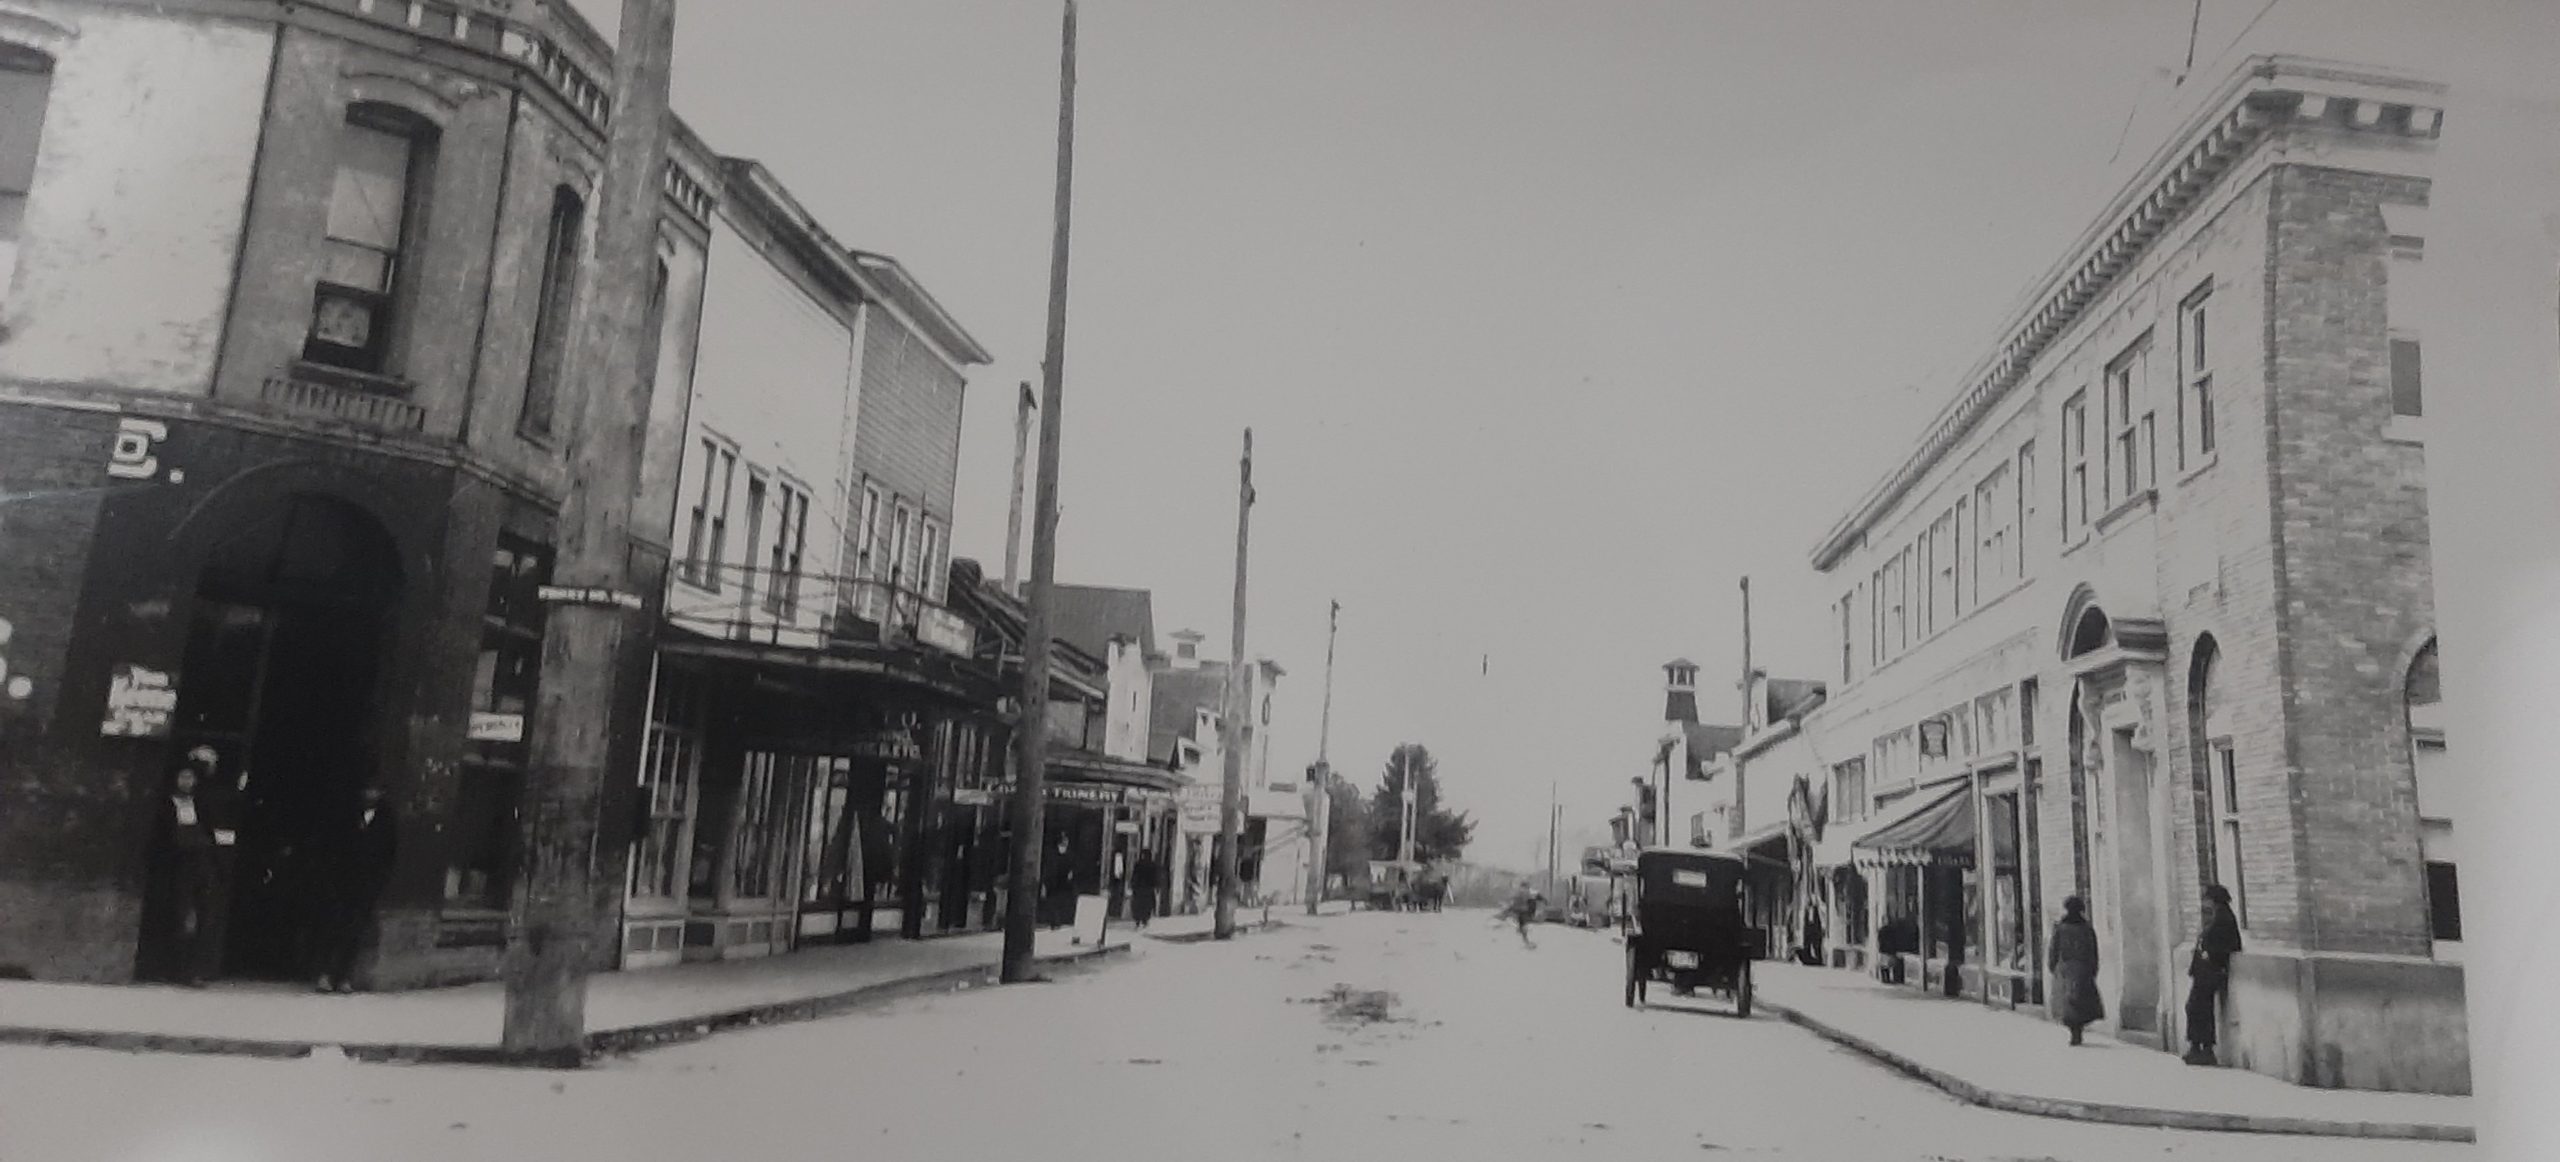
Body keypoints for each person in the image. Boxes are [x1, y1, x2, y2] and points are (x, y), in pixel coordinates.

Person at [141, 761, 236, 987]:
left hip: (198, 867)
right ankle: (167, 969)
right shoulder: (165, 805)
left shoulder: (201, 804)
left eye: (190, 777)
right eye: (182, 777)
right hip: (174, 868)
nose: (186, 782)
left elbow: (210, 831)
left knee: (199, 918)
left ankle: (192, 971)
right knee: (174, 917)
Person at [312, 785, 398, 994]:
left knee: (355, 932)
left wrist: (378, 882)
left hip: (366, 886)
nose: (370, 794)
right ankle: (325, 974)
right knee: (333, 927)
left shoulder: (386, 821)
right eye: (367, 790)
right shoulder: (347, 817)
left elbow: (389, 854)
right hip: (341, 883)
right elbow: (332, 847)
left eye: (374, 791)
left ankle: (344, 977)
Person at [2184, 884, 2244, 1065]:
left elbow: (2229, 945)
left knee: (2197, 1007)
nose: (2205, 901)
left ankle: (2203, 1048)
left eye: (2207, 898)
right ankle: (2198, 1047)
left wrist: (2208, 953)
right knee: (2197, 1007)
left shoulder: (2223, 918)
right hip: (2205, 971)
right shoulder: (2217, 916)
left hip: (2210, 972)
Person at [2048, 895, 2104, 1046]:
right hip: (2083, 968)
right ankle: (2078, 1029)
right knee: (2080, 1000)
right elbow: (2093, 950)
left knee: (2068, 1001)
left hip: (2066, 968)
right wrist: (2093, 968)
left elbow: (2054, 949)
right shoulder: (2086, 928)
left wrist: (2053, 966)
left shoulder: (2060, 927)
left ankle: (2074, 1031)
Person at [1506, 880, 1542, 948]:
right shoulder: (1523, 894)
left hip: (1521, 912)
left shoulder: (1521, 894)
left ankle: (1525, 940)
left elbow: (1515, 902)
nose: (1526, 889)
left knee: (1523, 926)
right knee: (1523, 926)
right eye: (1526, 887)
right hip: (1522, 912)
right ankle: (1526, 941)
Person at [1129, 850, 1160, 929]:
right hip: (1147, 889)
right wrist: (1156, 886)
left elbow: (1134, 876)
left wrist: (1132, 885)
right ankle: (1144, 920)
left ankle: (1138, 920)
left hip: (1140, 888)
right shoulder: (1152, 865)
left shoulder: (1139, 864)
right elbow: (1155, 877)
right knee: (1146, 906)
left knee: (1139, 905)